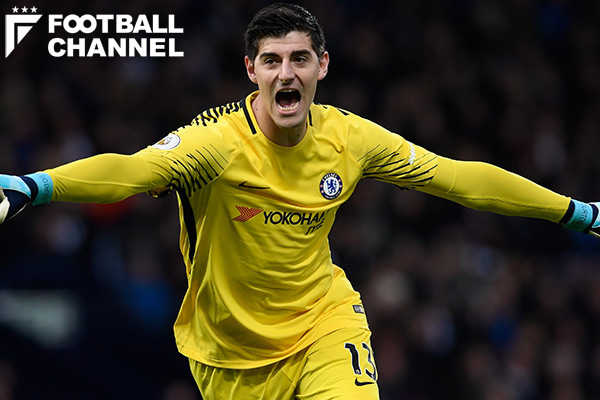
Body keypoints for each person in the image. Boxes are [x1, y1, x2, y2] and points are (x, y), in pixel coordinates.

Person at [0, 3, 599, 399]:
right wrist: (35, 185)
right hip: (229, 357)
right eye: (272, 60)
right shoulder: (216, 144)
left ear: (322, 66)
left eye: (299, 59)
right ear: (252, 71)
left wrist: (576, 211)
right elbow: (131, 171)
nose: (286, 73)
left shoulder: (349, 139)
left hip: (322, 324)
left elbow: (458, 178)